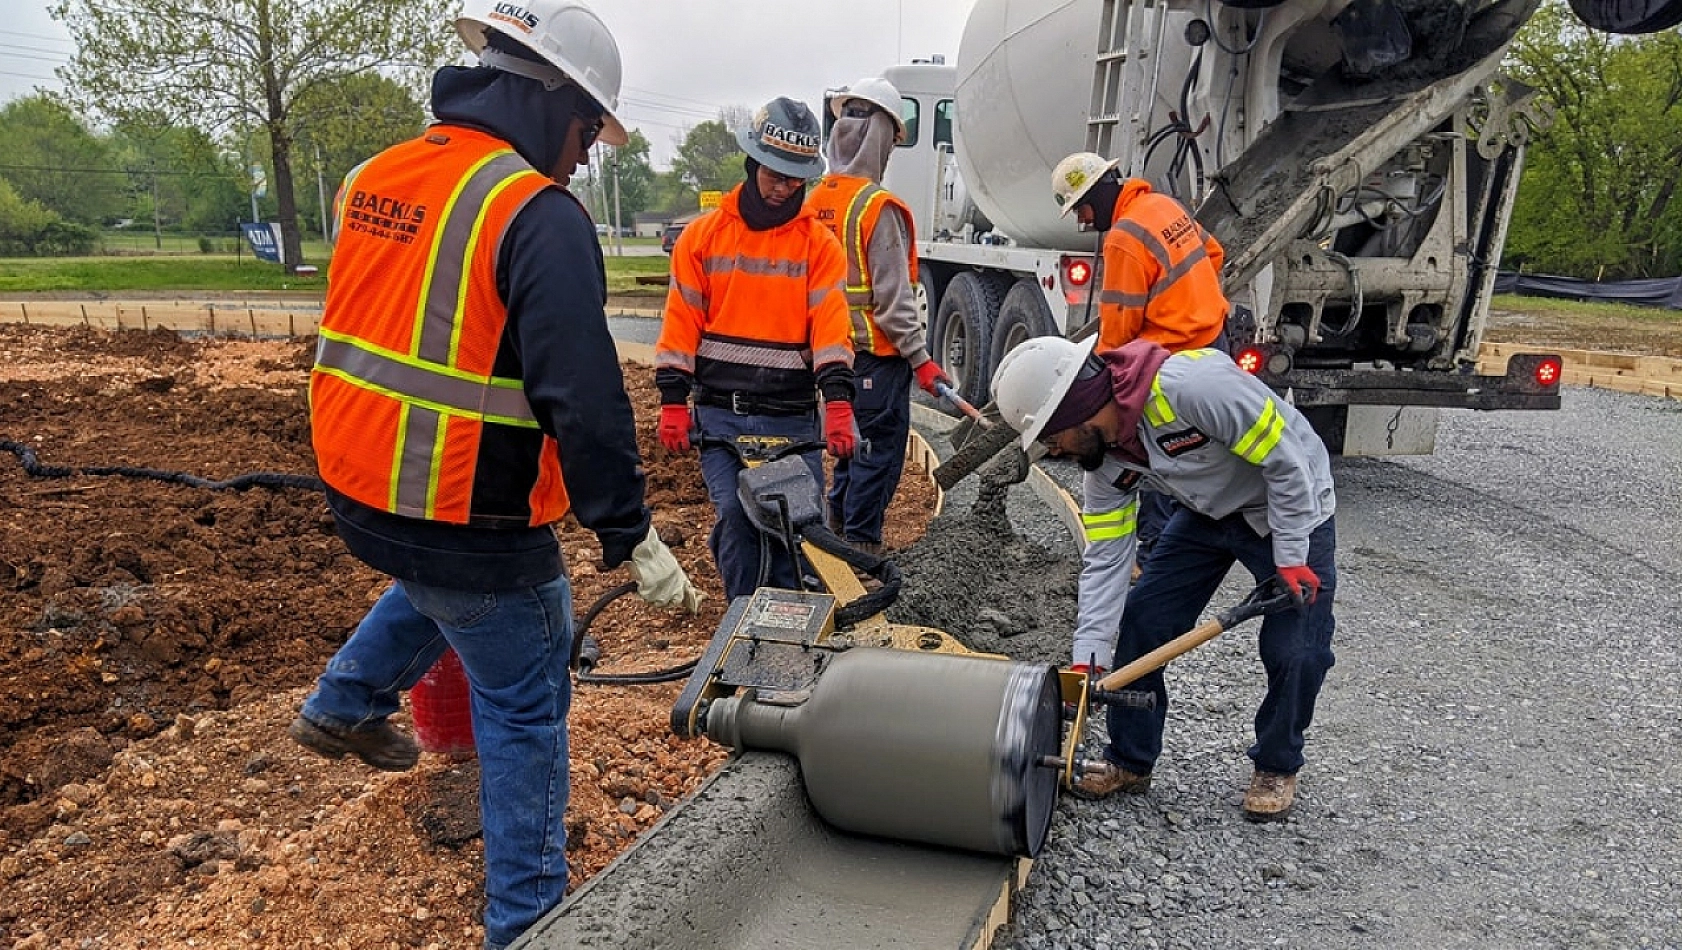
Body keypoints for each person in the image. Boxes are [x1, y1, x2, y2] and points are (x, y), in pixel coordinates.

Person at [290, 3, 701, 948]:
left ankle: (344, 702)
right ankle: (529, 921)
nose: (589, 155)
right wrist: (629, 532)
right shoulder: (534, 213)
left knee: (440, 585)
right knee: (522, 695)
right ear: (551, 99)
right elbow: (584, 397)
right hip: (464, 508)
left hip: (368, 486)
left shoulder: (381, 176)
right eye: (592, 128)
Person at [990, 335, 1336, 822]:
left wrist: (1293, 553)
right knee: (1144, 621)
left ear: (1076, 409)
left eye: (1051, 437)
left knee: (1297, 648)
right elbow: (1107, 558)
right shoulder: (1106, 467)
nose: (1052, 451)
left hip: (1291, 505)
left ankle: (1276, 765)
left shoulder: (1191, 389)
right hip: (1208, 514)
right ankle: (1130, 760)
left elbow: (1286, 461)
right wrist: (1089, 659)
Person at [654, 96, 856, 601]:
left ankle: (784, 628)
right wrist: (674, 401)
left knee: (792, 527)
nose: (783, 187)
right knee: (741, 520)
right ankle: (743, 625)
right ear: (752, 163)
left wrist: (838, 402)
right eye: (774, 174)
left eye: (795, 179)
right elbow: (681, 322)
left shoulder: (818, 246)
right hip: (723, 417)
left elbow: (831, 326)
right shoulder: (703, 238)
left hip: (790, 419)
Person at [1051, 151, 1232, 564]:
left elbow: (1118, 331)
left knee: (1157, 454)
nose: (1083, 220)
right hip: (1213, 343)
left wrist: (1095, 387)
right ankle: (1193, 536)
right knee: (1201, 453)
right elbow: (1215, 254)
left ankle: (1154, 555)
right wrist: (1193, 303)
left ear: (1094, 195)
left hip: (1168, 361)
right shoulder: (1165, 206)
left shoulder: (1123, 238)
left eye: (1080, 209)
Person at [807, 78, 951, 557]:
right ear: (882, 138)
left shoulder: (815, 201)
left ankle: (836, 537)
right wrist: (921, 358)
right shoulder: (876, 207)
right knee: (876, 456)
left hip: (829, 359)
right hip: (875, 358)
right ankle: (862, 550)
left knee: (847, 449)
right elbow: (893, 300)